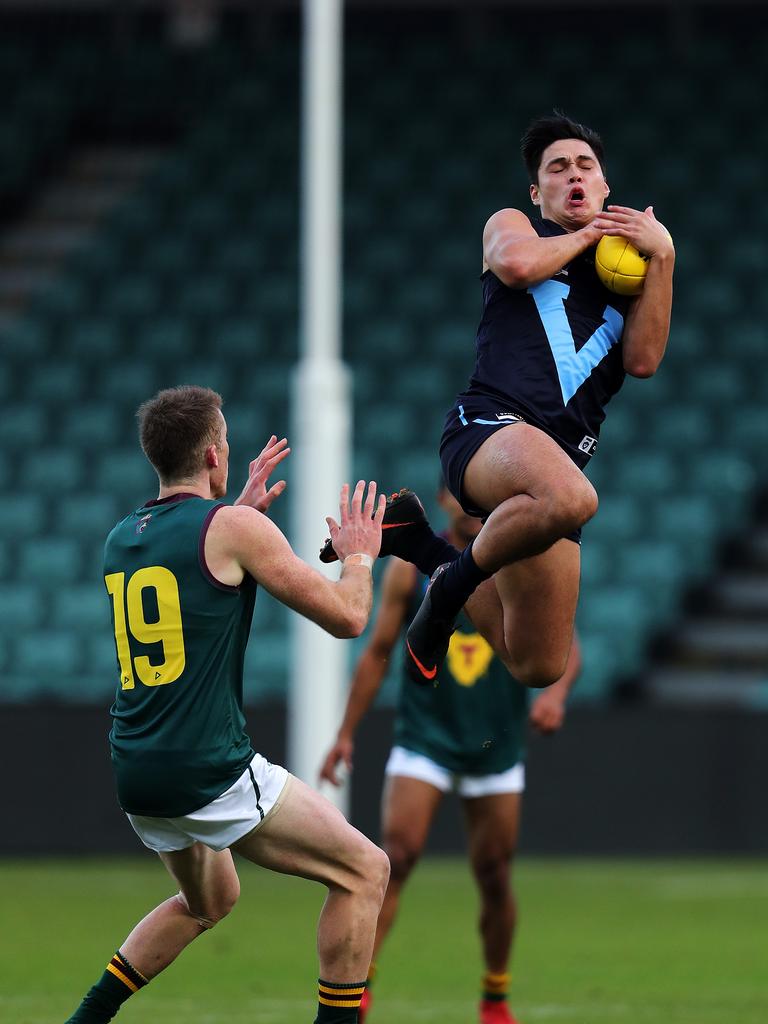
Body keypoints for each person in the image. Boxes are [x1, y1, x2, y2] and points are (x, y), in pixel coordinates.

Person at [65, 385, 390, 1024]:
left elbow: (194, 575)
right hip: (204, 766)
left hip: (136, 766)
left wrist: (235, 513)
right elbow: (349, 618)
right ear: (215, 454)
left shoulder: (121, 538)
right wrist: (359, 555)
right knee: (364, 871)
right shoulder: (234, 529)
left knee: (208, 900)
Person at [401, 112, 674, 687]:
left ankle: (423, 547)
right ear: (537, 190)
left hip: (555, 462)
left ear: (605, 188)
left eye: (586, 167)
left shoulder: (633, 275)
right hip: (485, 426)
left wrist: (664, 257)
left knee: (537, 665)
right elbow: (516, 265)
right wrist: (588, 235)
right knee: (575, 498)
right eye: (558, 168)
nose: (573, 175)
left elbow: (644, 361)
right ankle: (449, 590)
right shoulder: (515, 226)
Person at [319, 482, 581, 1024]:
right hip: (426, 738)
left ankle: (495, 995)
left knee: (493, 873)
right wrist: (345, 731)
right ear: (444, 498)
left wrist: (554, 695)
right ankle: (359, 991)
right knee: (396, 856)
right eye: (460, 495)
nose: (468, 504)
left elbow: (565, 644)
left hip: (496, 744)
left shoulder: (514, 558)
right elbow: (378, 654)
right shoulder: (406, 572)